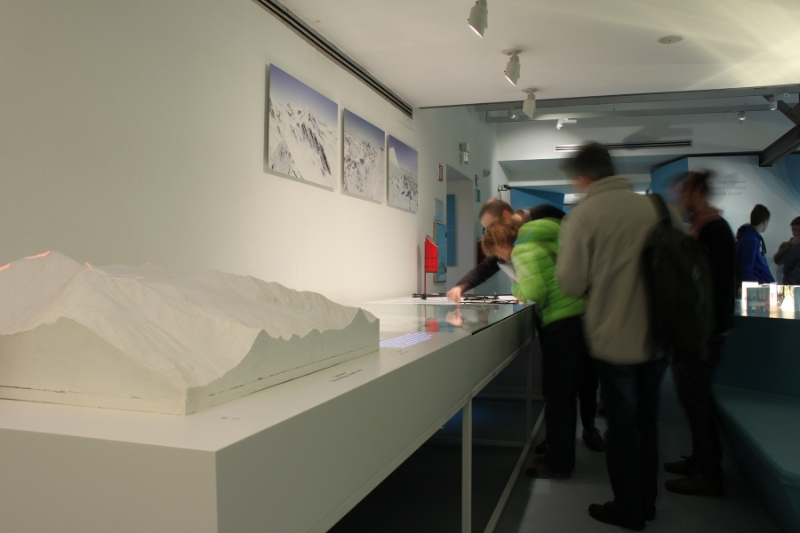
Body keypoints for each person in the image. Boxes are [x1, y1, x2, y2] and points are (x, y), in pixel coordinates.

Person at [557, 142, 680, 531]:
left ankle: (627, 508)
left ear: (583, 178)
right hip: (660, 334)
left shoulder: (584, 215)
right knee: (648, 423)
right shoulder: (659, 208)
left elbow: (571, 283)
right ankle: (647, 502)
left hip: (615, 336)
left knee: (622, 428)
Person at [448, 199, 604, 453]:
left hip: (564, 313)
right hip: (572, 310)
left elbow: (538, 287)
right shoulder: (529, 235)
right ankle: (558, 439)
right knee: (563, 387)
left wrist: (518, 287)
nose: (489, 232)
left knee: (569, 385)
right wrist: (461, 286)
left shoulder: (535, 228)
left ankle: (579, 435)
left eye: (490, 226)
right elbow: (487, 266)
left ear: (506, 216)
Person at [481, 207, 589, 478]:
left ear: (502, 242)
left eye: (496, 252)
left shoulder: (523, 251)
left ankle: (558, 464)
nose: (499, 258)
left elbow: (535, 291)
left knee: (557, 395)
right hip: (576, 318)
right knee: (565, 394)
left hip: (560, 322)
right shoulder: (543, 237)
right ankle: (560, 453)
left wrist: (516, 287)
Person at [662, 170, 735, 497]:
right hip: (701, 330)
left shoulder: (712, 229)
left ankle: (708, 473)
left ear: (698, 191)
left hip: (703, 333)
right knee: (693, 398)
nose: (681, 198)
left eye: (685, 191)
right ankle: (699, 462)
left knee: (697, 399)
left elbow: (709, 287)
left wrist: (704, 330)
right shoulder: (706, 228)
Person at [736, 204, 775, 283]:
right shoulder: (751, 240)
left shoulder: (751, 238)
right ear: (765, 221)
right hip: (757, 287)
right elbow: (746, 271)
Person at [773, 216, 800, 285]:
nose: (796, 233)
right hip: (791, 284)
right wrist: (790, 244)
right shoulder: (786, 245)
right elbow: (777, 260)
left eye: (799, 230)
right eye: (793, 230)